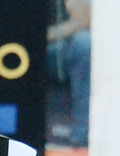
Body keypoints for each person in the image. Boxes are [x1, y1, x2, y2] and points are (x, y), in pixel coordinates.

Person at [47, 0, 91, 146]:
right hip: (15, 50)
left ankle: (81, 139)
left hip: (58, 49)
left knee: (85, 43)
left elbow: (85, 17)